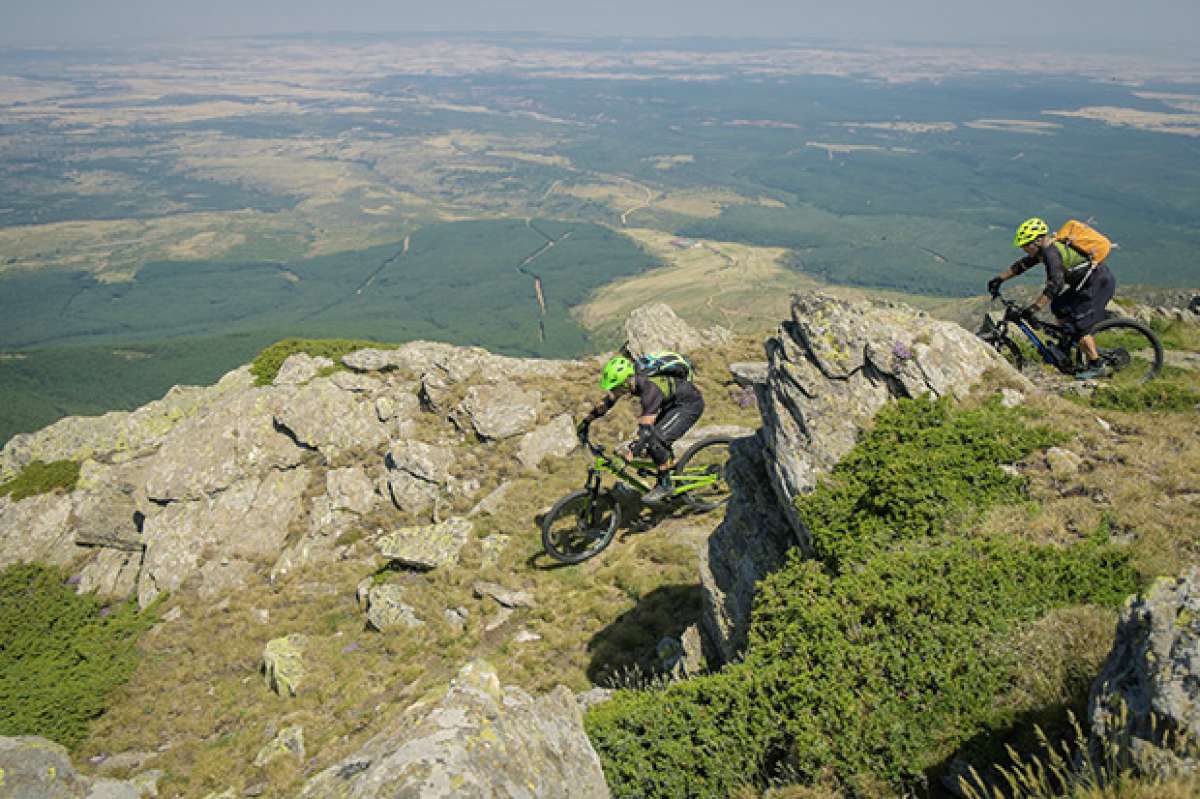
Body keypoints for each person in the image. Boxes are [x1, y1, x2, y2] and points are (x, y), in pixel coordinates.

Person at [987, 217, 1117, 380]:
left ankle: (1096, 364)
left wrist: (1034, 308)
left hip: (1098, 284)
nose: (1024, 249)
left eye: (1026, 245)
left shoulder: (1051, 254)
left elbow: (1055, 285)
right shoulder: (1043, 249)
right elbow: (1021, 266)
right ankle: (1065, 346)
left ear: (1037, 241)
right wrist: (999, 279)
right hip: (1084, 284)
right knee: (1058, 306)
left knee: (1079, 327)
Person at [576, 355, 705, 504]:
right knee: (650, 446)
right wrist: (586, 422)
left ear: (626, 383)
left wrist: (628, 456)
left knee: (655, 438)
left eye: (616, 388)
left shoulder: (649, 391)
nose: (613, 392)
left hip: (688, 405)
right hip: (672, 403)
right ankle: (672, 469)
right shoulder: (631, 380)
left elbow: (646, 431)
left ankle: (665, 484)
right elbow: (607, 402)